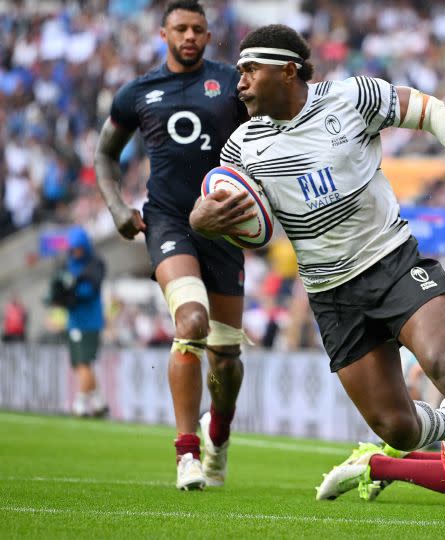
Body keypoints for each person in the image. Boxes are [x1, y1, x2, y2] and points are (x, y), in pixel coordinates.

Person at [188, 24, 445, 535]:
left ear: (287, 71)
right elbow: (222, 214)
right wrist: (201, 221)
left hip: (392, 262)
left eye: (251, 70)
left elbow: (432, 111)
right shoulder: (241, 147)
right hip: (330, 295)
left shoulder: (351, 97)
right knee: (397, 428)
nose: (241, 83)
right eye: (239, 72)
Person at [94, 0, 249, 490]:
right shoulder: (138, 92)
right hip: (167, 222)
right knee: (192, 324)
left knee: (225, 356)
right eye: (180, 28)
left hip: (224, 226)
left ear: (208, 35)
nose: (189, 36)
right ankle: (186, 453)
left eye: (198, 29)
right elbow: (104, 153)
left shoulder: (232, 83)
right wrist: (118, 207)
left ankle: (218, 435)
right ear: (163, 34)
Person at [48, 227, 108, 417]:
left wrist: (71, 291)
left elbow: (89, 291)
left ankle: (80, 403)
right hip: (74, 320)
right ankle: (98, 402)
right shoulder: (67, 264)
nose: (76, 251)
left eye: (78, 247)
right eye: (73, 248)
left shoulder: (94, 264)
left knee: (84, 363)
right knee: (81, 364)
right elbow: (61, 289)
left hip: (89, 322)